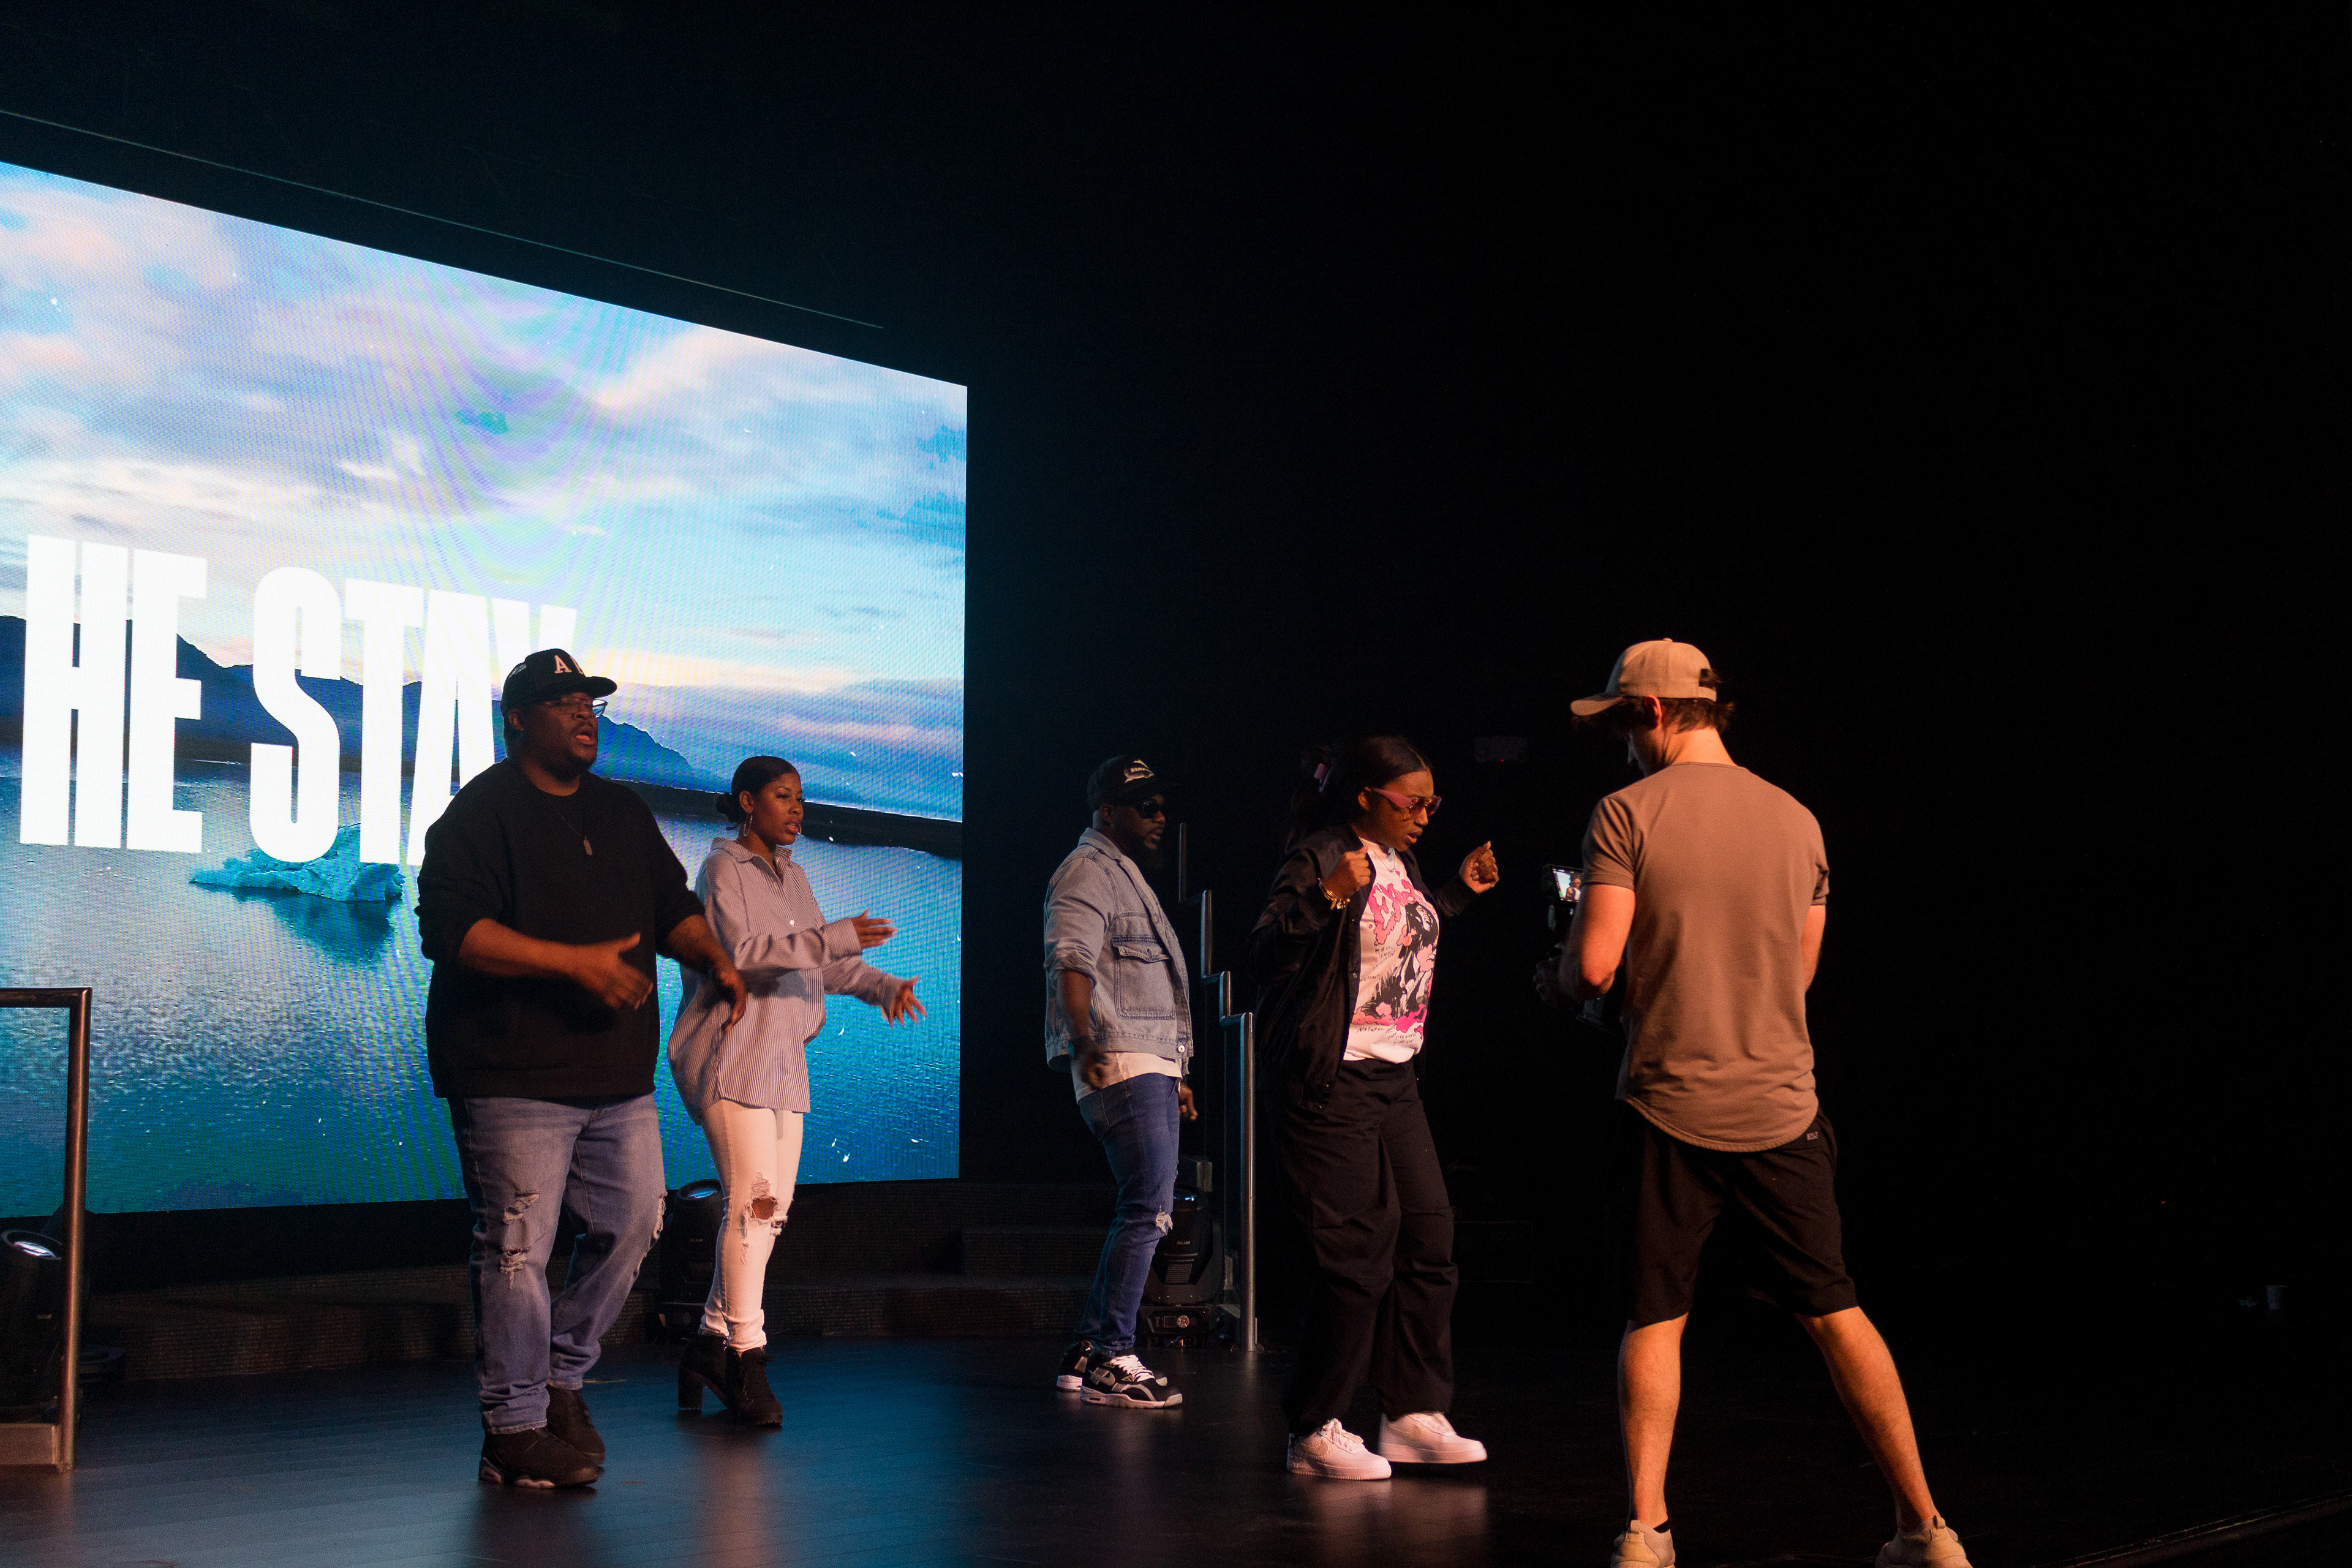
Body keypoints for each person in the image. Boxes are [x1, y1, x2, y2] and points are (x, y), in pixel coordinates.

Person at [1534, 639, 1970, 1568]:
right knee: (1836, 1310)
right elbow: (1799, 974)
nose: (1620, 744)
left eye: (1622, 724)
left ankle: (1647, 1533)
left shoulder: (1625, 813)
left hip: (1666, 1102)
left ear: (1655, 713)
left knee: (1656, 1316)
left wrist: (1560, 979)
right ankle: (1926, 1529)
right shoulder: (1798, 819)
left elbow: (1596, 967)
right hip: (1782, 1106)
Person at [417, 649, 747, 1489]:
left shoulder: (621, 810)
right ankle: (514, 1427)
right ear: (518, 719)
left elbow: (673, 907)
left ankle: (561, 1377)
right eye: (562, 701)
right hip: (511, 1073)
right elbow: (451, 933)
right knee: (516, 1249)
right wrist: (574, 964)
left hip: (615, 1077)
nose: (583, 714)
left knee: (636, 1224)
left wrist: (713, 958)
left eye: (589, 701)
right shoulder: (480, 813)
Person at [1246, 735, 1498, 1480]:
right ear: (1366, 797)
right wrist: (1325, 896)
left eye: (1431, 804)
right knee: (1356, 1257)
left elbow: (1396, 941)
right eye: (1411, 802)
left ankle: (1411, 1413)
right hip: (1332, 1077)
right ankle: (1313, 1427)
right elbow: (1263, 955)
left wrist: (1454, 893)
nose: (1424, 815)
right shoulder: (1324, 854)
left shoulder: (1402, 861)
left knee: (1428, 1236)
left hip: (1397, 1077)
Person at [666, 755, 924, 1423]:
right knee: (751, 1206)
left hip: (783, 1061)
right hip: (733, 1054)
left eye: (801, 798)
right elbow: (744, 954)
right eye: (783, 796)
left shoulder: (796, 877)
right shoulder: (723, 868)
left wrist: (882, 986)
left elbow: (822, 965)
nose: (797, 809)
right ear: (747, 802)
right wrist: (831, 936)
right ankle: (745, 1354)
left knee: (771, 1211)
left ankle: (708, 1341)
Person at [1044, 755, 1198, 1409]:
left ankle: (1088, 1348)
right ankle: (1113, 1354)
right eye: (1146, 808)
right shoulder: (1087, 871)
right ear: (1109, 812)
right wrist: (1085, 1040)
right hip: (1121, 1060)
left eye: (1163, 807)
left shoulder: (1124, 876)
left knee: (1140, 1207)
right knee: (1148, 1210)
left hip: (1147, 1062)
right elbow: (1070, 959)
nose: (1160, 818)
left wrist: (1177, 1071)